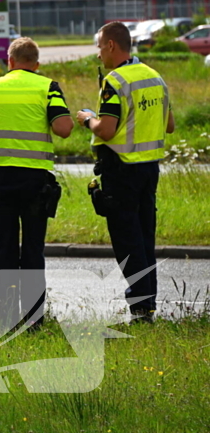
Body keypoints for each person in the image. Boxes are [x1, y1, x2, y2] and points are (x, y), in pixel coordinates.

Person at [0, 37, 73, 328]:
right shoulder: (47, 86)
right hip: (36, 182)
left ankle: (8, 319)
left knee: (6, 251)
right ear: (37, 65)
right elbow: (63, 129)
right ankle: (34, 321)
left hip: (0, 182)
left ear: (9, 62)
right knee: (33, 250)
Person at [76, 22, 174, 323]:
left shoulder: (115, 82)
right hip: (149, 170)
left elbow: (105, 130)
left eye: (99, 47)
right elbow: (169, 126)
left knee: (127, 242)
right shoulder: (155, 77)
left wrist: (87, 119)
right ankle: (149, 305)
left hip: (122, 170)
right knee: (144, 239)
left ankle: (141, 311)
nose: (98, 55)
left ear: (111, 46)